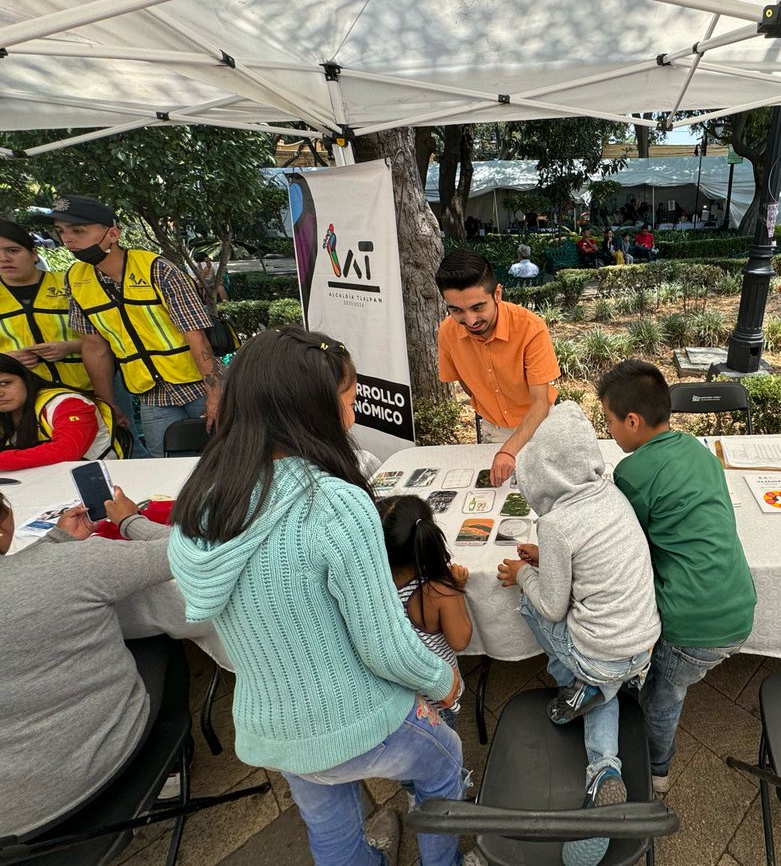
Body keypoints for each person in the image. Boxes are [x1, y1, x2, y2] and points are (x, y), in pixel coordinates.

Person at [169, 327, 464, 866]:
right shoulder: (333, 504)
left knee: (328, 826)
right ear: (312, 409)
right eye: (348, 399)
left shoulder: (204, 500)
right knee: (446, 763)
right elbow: (386, 646)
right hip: (363, 720)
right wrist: (444, 680)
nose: (352, 412)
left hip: (276, 727)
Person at [496, 401, 660, 866]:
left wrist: (523, 576)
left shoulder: (556, 523)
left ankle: (578, 680)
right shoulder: (613, 497)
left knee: (532, 603)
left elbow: (552, 605)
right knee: (602, 691)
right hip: (642, 646)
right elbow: (596, 569)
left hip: (599, 654)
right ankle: (603, 770)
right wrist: (547, 561)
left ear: (541, 473)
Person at [597, 360, 757, 795]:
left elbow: (626, 549)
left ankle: (656, 770)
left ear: (632, 420)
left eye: (608, 421)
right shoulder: (701, 452)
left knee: (662, 697)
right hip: (740, 605)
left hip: (692, 625)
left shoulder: (632, 473)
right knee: (668, 684)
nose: (608, 431)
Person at [0, 487, 197, 838]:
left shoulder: (63, 564)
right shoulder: (77, 565)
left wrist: (57, 540)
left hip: (11, 830)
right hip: (99, 777)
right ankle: (169, 773)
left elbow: (19, 578)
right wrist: (129, 520)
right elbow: (193, 553)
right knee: (159, 638)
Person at [53, 196, 222, 457]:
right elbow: (94, 346)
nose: (68, 239)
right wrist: (107, 403)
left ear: (113, 234)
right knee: (164, 468)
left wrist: (216, 394)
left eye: (78, 231)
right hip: (151, 395)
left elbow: (196, 335)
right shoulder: (76, 279)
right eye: (61, 231)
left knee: (226, 455)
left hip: (197, 385)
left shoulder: (157, 269)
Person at [435, 249, 560, 485]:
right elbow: (465, 383)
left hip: (540, 426)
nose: (470, 321)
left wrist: (508, 450)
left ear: (498, 293)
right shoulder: (446, 332)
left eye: (478, 307)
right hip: (493, 429)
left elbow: (540, 403)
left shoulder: (530, 328)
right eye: (456, 310)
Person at [377, 494, 473, 725]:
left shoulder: (372, 585)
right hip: (438, 697)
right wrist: (456, 590)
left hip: (398, 694)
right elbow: (460, 640)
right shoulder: (437, 591)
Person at [0, 220, 90, 391]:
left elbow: (110, 335)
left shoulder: (72, 284)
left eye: (13, 250)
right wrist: (5, 359)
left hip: (86, 387)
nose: (4, 258)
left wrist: (69, 348)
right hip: (21, 398)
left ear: (34, 254)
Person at [0, 354, 126, 468]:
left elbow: (67, 451)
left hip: (97, 483)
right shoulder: (6, 410)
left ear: (25, 378)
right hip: (37, 481)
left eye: (5, 383)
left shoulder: (68, 403)